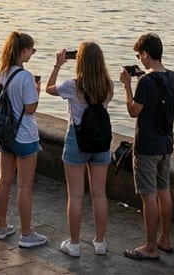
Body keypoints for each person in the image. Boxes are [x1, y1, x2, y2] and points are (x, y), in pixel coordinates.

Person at [47, 42, 112, 257]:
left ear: (80, 61)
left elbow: (49, 88)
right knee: (99, 194)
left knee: (75, 195)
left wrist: (58, 65)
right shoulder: (108, 85)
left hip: (77, 139)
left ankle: (74, 244)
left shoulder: (73, 85)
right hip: (101, 142)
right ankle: (100, 242)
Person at [120, 33, 174, 262]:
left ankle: (150, 246)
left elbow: (134, 110)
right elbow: (158, 86)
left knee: (148, 196)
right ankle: (165, 239)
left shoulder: (145, 82)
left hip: (147, 146)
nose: (139, 58)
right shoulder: (173, 77)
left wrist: (127, 86)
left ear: (145, 54)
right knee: (164, 191)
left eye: (139, 55)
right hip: (166, 143)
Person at [0, 31, 44, 248]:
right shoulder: (25, 77)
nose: (32, 53)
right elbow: (30, 108)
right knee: (24, 186)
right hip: (24, 136)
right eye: (31, 49)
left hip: (4, 133)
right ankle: (27, 234)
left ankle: (1, 227)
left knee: (4, 180)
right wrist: (37, 91)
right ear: (23, 51)